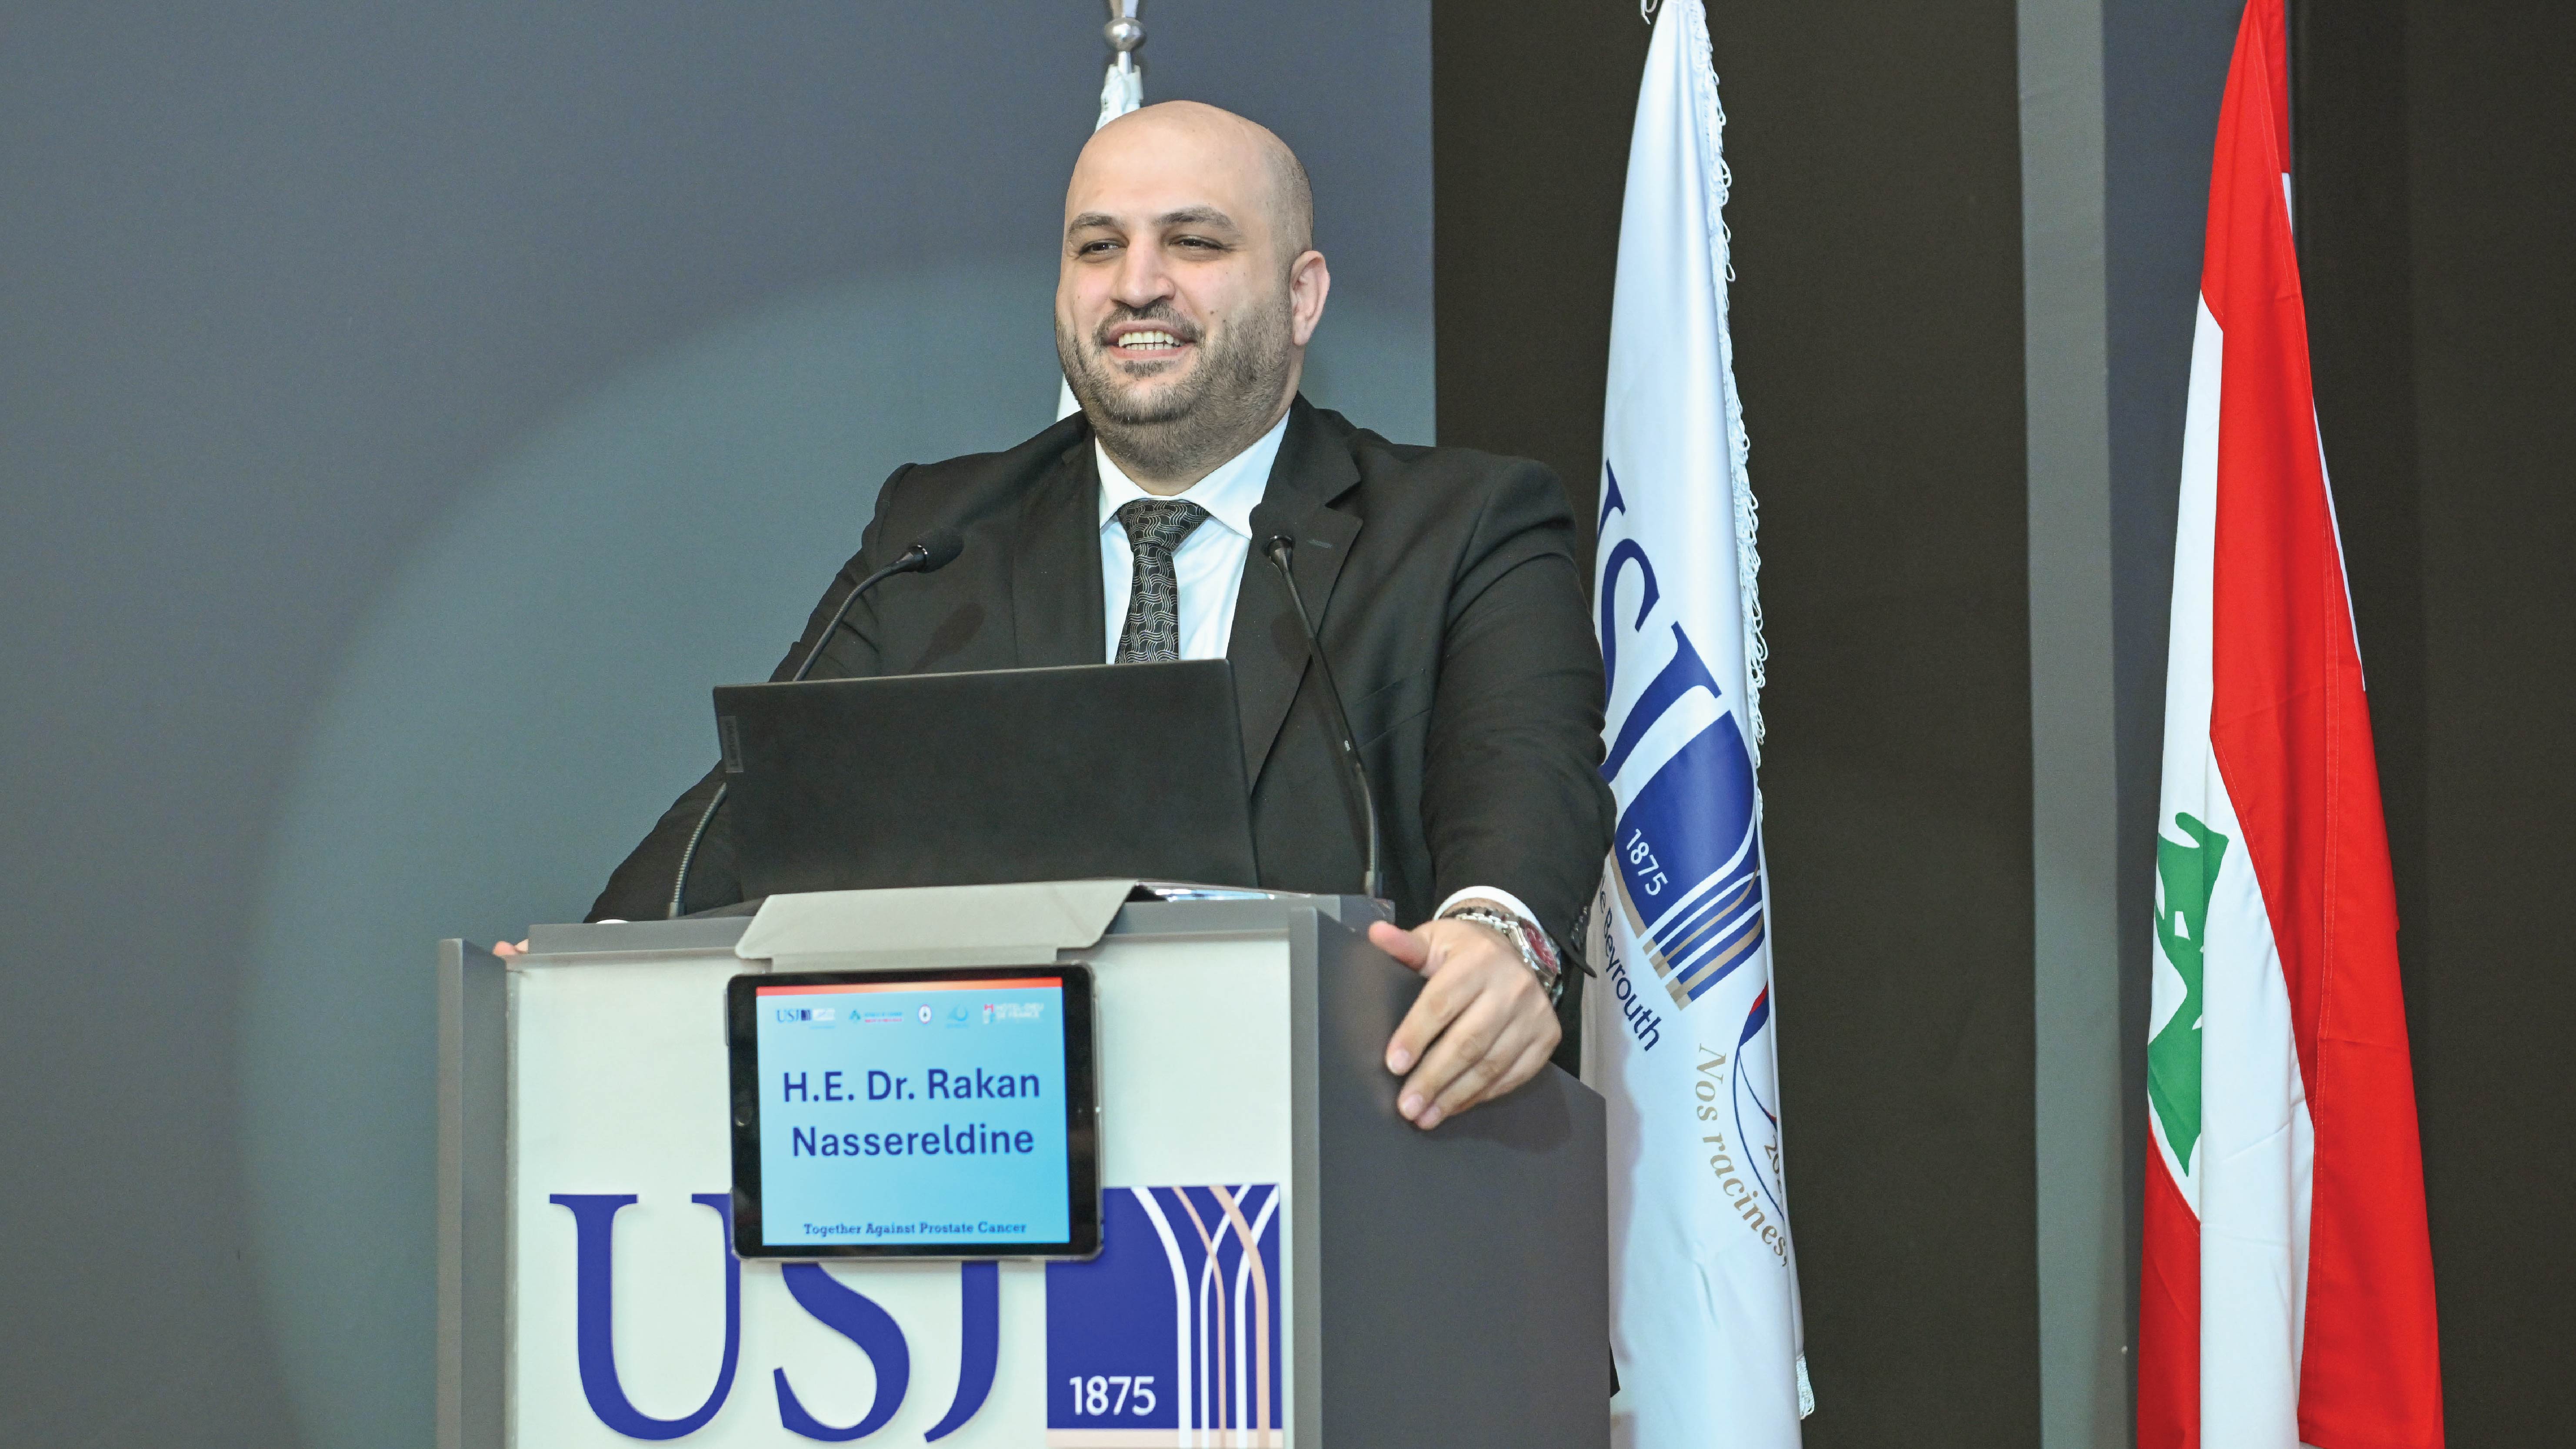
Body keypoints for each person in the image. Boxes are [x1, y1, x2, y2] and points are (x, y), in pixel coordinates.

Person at [576, 101, 1613, 1129]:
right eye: (1097, 246)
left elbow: (1521, 768)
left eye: (1194, 242)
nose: (1135, 283)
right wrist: (600, 962)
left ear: (1301, 295)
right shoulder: (939, 531)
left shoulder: (1462, 525)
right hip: (990, 1139)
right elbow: (757, 805)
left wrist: (1497, 936)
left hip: (1343, 1135)